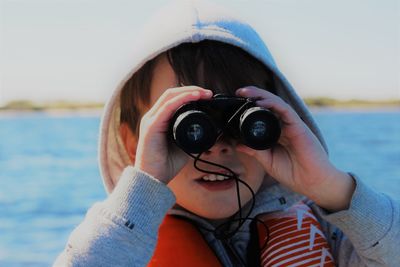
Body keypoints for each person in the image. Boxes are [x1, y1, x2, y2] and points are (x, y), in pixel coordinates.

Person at [54, 1, 399, 266]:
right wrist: (140, 193)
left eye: (238, 120)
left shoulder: (327, 231)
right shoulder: (123, 241)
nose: (217, 147)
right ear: (133, 142)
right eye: (188, 124)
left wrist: (331, 188)